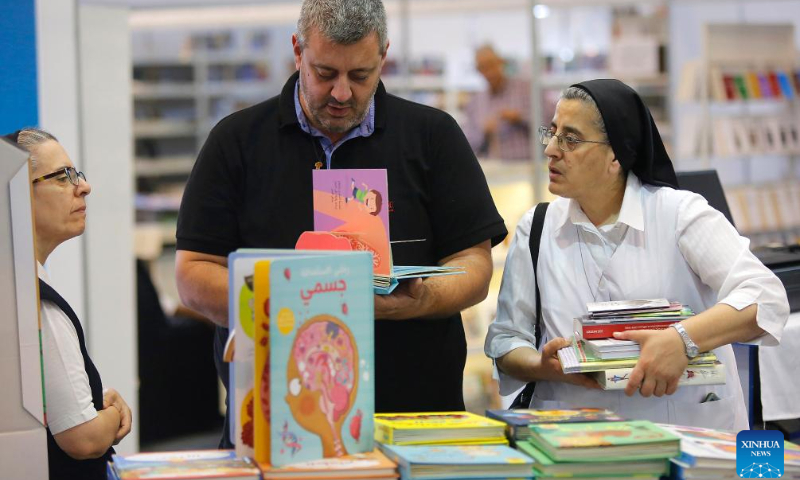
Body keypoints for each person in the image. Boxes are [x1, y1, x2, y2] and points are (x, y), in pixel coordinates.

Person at [175, 0, 507, 448]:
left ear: (384, 56)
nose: (342, 93)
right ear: (298, 51)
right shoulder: (235, 142)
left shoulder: (434, 136)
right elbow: (194, 273)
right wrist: (299, 305)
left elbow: (473, 263)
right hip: (279, 421)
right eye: (325, 73)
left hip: (416, 422)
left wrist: (419, 299)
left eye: (361, 75)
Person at [484, 79, 789, 431]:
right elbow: (506, 339)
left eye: (571, 139)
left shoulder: (679, 214)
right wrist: (543, 367)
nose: (551, 150)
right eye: (551, 133)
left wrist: (681, 340)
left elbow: (765, 297)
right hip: (577, 439)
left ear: (616, 155)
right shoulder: (536, 227)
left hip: (685, 433)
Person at [4, 128, 132, 480]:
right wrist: (115, 413)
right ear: (16, 191)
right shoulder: (36, 304)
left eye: (77, 174)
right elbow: (83, 439)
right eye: (63, 177)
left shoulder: (13, 286)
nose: (84, 187)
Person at [463, 44, 531, 161]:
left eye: (491, 65)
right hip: (494, 167)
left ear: (501, 62)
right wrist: (484, 132)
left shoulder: (527, 89)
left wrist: (520, 117)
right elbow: (469, 143)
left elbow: (549, 127)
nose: (489, 72)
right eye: (483, 68)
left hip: (527, 164)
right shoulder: (475, 102)